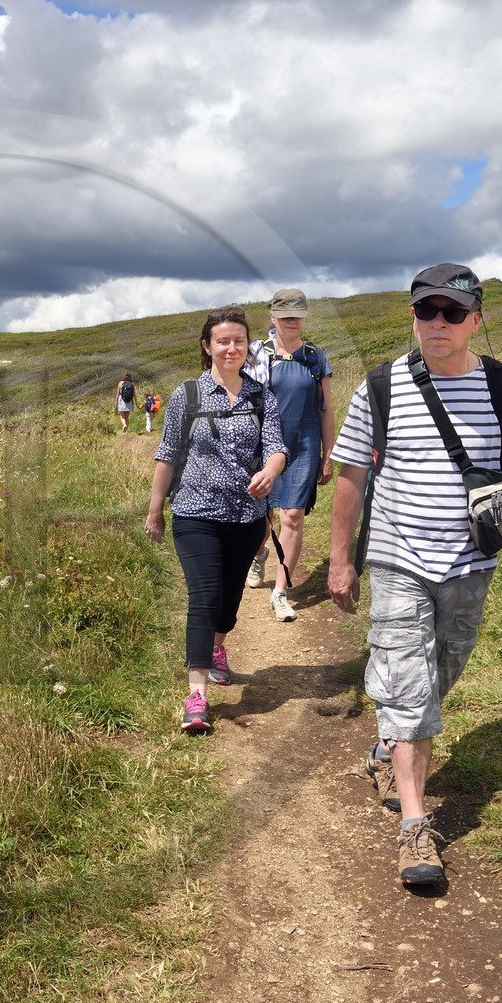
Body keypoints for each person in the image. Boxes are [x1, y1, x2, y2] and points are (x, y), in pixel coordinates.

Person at [327, 263, 502, 886]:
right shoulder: (379, 386)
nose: (438, 322)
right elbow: (351, 476)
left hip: (471, 563)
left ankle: (387, 746)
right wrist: (341, 559)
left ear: (476, 319)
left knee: (441, 672)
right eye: (427, 310)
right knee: (408, 684)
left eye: (453, 312)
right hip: (398, 559)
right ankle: (415, 828)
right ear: (413, 317)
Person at [145, 307, 288, 734]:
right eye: (222, 341)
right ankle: (197, 697)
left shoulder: (261, 396)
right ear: (207, 347)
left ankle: (218, 647)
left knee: (228, 598)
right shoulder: (186, 395)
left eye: (239, 340)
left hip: (246, 517)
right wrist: (155, 510)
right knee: (204, 598)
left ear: (248, 346)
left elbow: (276, 447)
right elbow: (167, 455)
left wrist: (271, 471)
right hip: (195, 514)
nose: (231, 348)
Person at [246, 288, 334, 624]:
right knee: (262, 518)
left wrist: (328, 453)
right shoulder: (257, 355)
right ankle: (259, 553)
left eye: (297, 315)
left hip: (304, 445)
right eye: (285, 316)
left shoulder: (315, 358)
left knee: (293, 516)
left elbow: (326, 409)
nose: (291, 321)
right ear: (273, 317)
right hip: (264, 446)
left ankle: (280, 592)